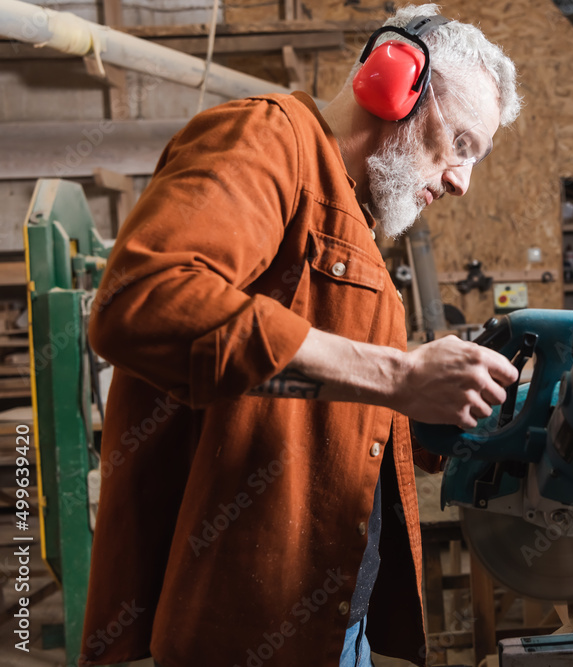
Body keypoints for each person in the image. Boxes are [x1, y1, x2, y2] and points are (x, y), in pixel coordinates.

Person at [80, 5, 521, 666]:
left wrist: (467, 422)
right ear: (393, 80)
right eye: (460, 144)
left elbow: (314, 390)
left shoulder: (352, 215)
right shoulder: (266, 140)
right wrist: (398, 375)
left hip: (331, 617)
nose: (461, 180)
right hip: (238, 625)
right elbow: (143, 300)